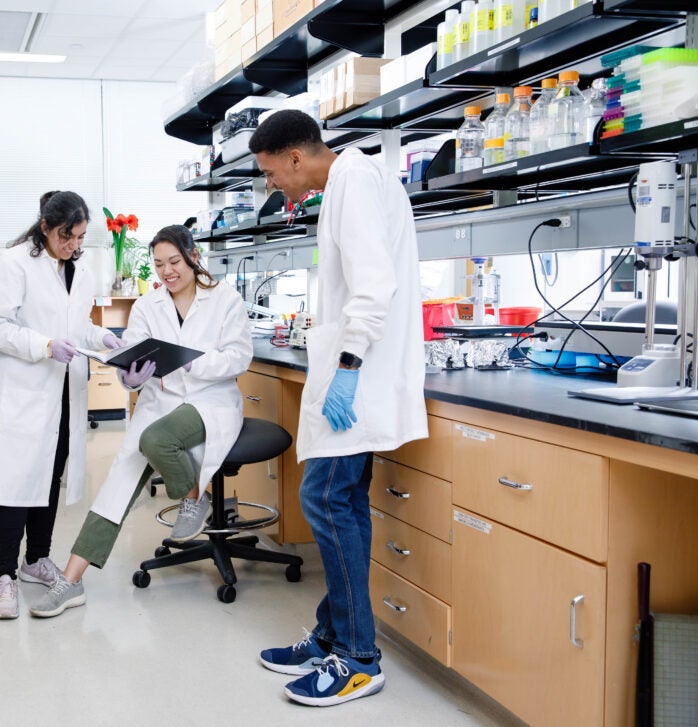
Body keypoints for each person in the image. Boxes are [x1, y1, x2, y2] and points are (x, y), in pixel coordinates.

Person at [248, 110, 428, 706]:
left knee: (324, 499)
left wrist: (348, 369)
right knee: (339, 499)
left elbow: (375, 286)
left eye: (272, 174)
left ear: (296, 159)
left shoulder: (352, 180)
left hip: (359, 376)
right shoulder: (353, 179)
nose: (273, 186)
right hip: (356, 374)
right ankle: (332, 635)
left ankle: (358, 658)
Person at [28, 224, 253, 618]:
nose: (167, 271)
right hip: (160, 400)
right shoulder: (148, 306)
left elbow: (239, 357)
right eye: (159, 264)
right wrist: (130, 378)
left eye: (174, 262)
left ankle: (191, 496)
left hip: (210, 402)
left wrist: (190, 357)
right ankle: (71, 580)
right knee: (116, 485)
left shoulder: (225, 299)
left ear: (193, 257)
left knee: (156, 438)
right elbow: (134, 355)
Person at [0, 190, 122, 620]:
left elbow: (77, 325)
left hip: (63, 391)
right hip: (23, 389)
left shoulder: (78, 270)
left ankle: (36, 558)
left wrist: (102, 338)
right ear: (45, 226)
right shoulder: (13, 263)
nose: (74, 245)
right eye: (66, 236)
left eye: (79, 237)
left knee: (51, 474)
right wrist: (43, 345)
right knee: (15, 481)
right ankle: (4, 577)